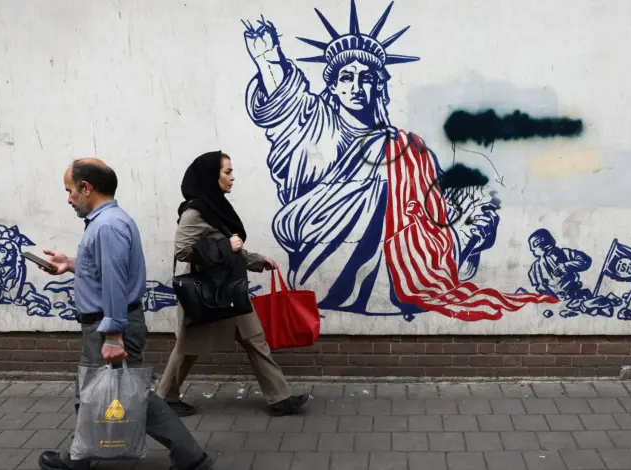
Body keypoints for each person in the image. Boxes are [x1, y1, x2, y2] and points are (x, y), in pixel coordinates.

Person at [241, 2, 557, 321]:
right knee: (380, 186)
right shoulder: (313, 124)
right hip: (315, 254)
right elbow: (284, 103)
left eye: (366, 78)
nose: (356, 87)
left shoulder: (407, 147)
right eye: (347, 77)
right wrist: (269, 60)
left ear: (378, 85)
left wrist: (470, 220)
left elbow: (434, 207)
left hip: (399, 270)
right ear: (333, 86)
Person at [37, 159, 213, 470]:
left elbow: (115, 282)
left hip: (109, 326)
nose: (68, 198)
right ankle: (186, 455)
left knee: (119, 394)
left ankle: (77, 459)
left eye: (69, 190)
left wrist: (114, 334)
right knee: (114, 391)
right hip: (109, 323)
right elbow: (104, 270)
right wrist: (70, 264)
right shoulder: (110, 220)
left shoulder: (107, 226)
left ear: (86, 188)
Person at [154, 151, 308, 417]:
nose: (232, 177)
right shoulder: (195, 211)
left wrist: (258, 260)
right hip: (209, 291)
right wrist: (227, 245)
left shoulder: (216, 207)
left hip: (231, 287)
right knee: (188, 346)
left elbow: (230, 249)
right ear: (210, 176)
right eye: (227, 172)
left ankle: (279, 398)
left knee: (255, 339)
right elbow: (182, 250)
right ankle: (165, 398)